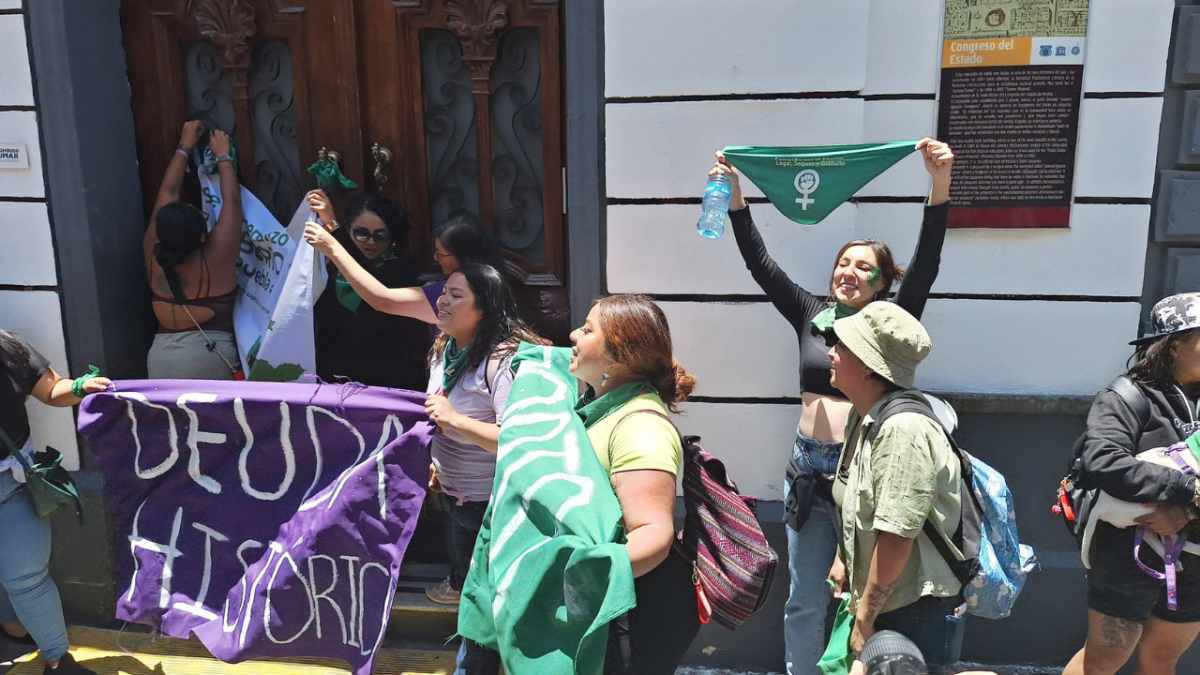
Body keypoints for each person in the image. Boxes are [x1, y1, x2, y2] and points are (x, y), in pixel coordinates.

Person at [708, 137, 955, 675]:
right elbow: (760, 264)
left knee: (855, 590)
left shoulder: (891, 319)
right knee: (805, 597)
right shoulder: (811, 314)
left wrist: (939, 186)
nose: (848, 271)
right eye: (843, 263)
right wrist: (736, 197)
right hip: (806, 467)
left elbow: (928, 263)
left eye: (864, 267)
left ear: (884, 282)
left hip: (864, 474)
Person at [456, 293, 701, 675]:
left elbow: (654, 532)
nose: (573, 334)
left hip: (620, 625)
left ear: (616, 357)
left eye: (588, 330)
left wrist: (570, 576)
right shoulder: (595, 410)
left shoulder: (641, 427)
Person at [1063, 292, 1200, 675]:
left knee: (1162, 661)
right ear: (1173, 345)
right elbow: (1103, 462)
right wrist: (1185, 489)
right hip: (1129, 554)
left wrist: (1186, 509)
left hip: (1195, 555)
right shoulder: (1126, 397)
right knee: (1103, 659)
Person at [825, 302, 964, 666]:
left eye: (842, 346)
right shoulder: (864, 414)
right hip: (883, 600)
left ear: (869, 366)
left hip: (911, 611)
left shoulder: (902, 430)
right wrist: (844, 556)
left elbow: (898, 536)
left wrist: (866, 619)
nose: (830, 352)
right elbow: (857, 495)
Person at [415, 264, 546, 605]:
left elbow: (513, 439)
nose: (442, 301)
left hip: (492, 503)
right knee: (463, 565)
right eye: (443, 292)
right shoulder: (444, 350)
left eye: (456, 296)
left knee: (488, 590)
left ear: (485, 307)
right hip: (452, 489)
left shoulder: (503, 361)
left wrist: (455, 420)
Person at [0, 330, 111, 674]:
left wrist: (79, 388)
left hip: (11, 482)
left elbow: (51, 389)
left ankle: (56, 659)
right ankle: (11, 623)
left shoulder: (4, 345)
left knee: (27, 578)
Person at [144, 121, 243, 380]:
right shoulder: (217, 256)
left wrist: (184, 145)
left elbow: (168, 191)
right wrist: (223, 155)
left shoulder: (151, 250)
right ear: (202, 237)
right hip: (209, 356)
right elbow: (231, 201)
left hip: (159, 358)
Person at [305, 203, 506, 326]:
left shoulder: (459, 295)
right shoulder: (492, 281)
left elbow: (383, 300)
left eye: (441, 253)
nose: (435, 259)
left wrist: (333, 247)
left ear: (466, 257)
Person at [307, 190, 430, 391]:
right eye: (361, 234)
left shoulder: (401, 272)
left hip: (389, 386)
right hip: (333, 383)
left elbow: (368, 278)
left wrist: (332, 229)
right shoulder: (327, 271)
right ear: (349, 231)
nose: (370, 242)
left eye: (380, 235)